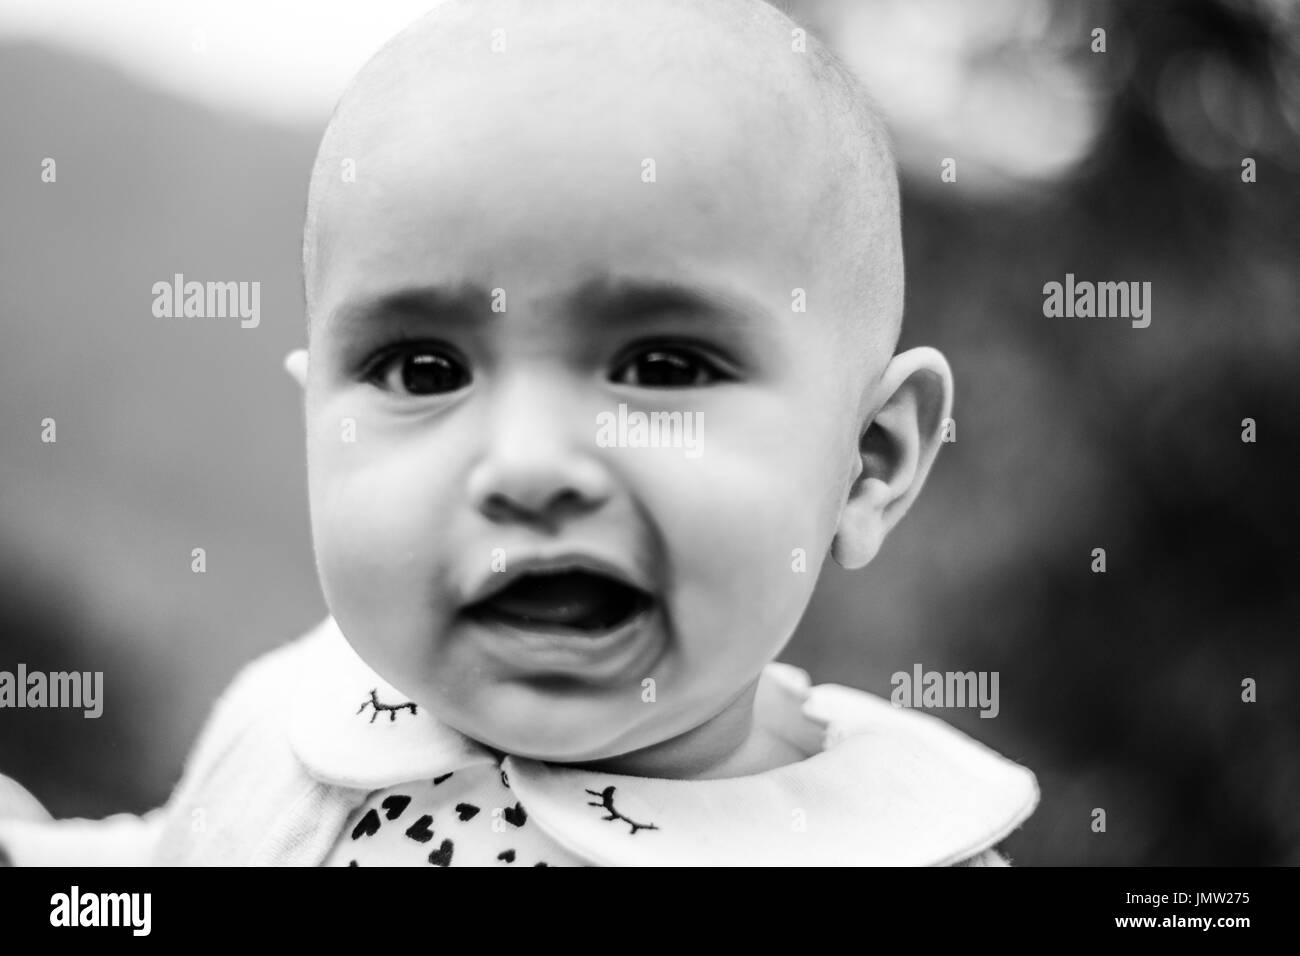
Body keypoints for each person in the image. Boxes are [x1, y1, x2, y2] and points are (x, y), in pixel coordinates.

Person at [0, 0, 1037, 866]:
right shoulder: (301, 715)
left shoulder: (895, 843)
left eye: (662, 368)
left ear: (871, 460)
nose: (530, 468)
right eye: (424, 370)